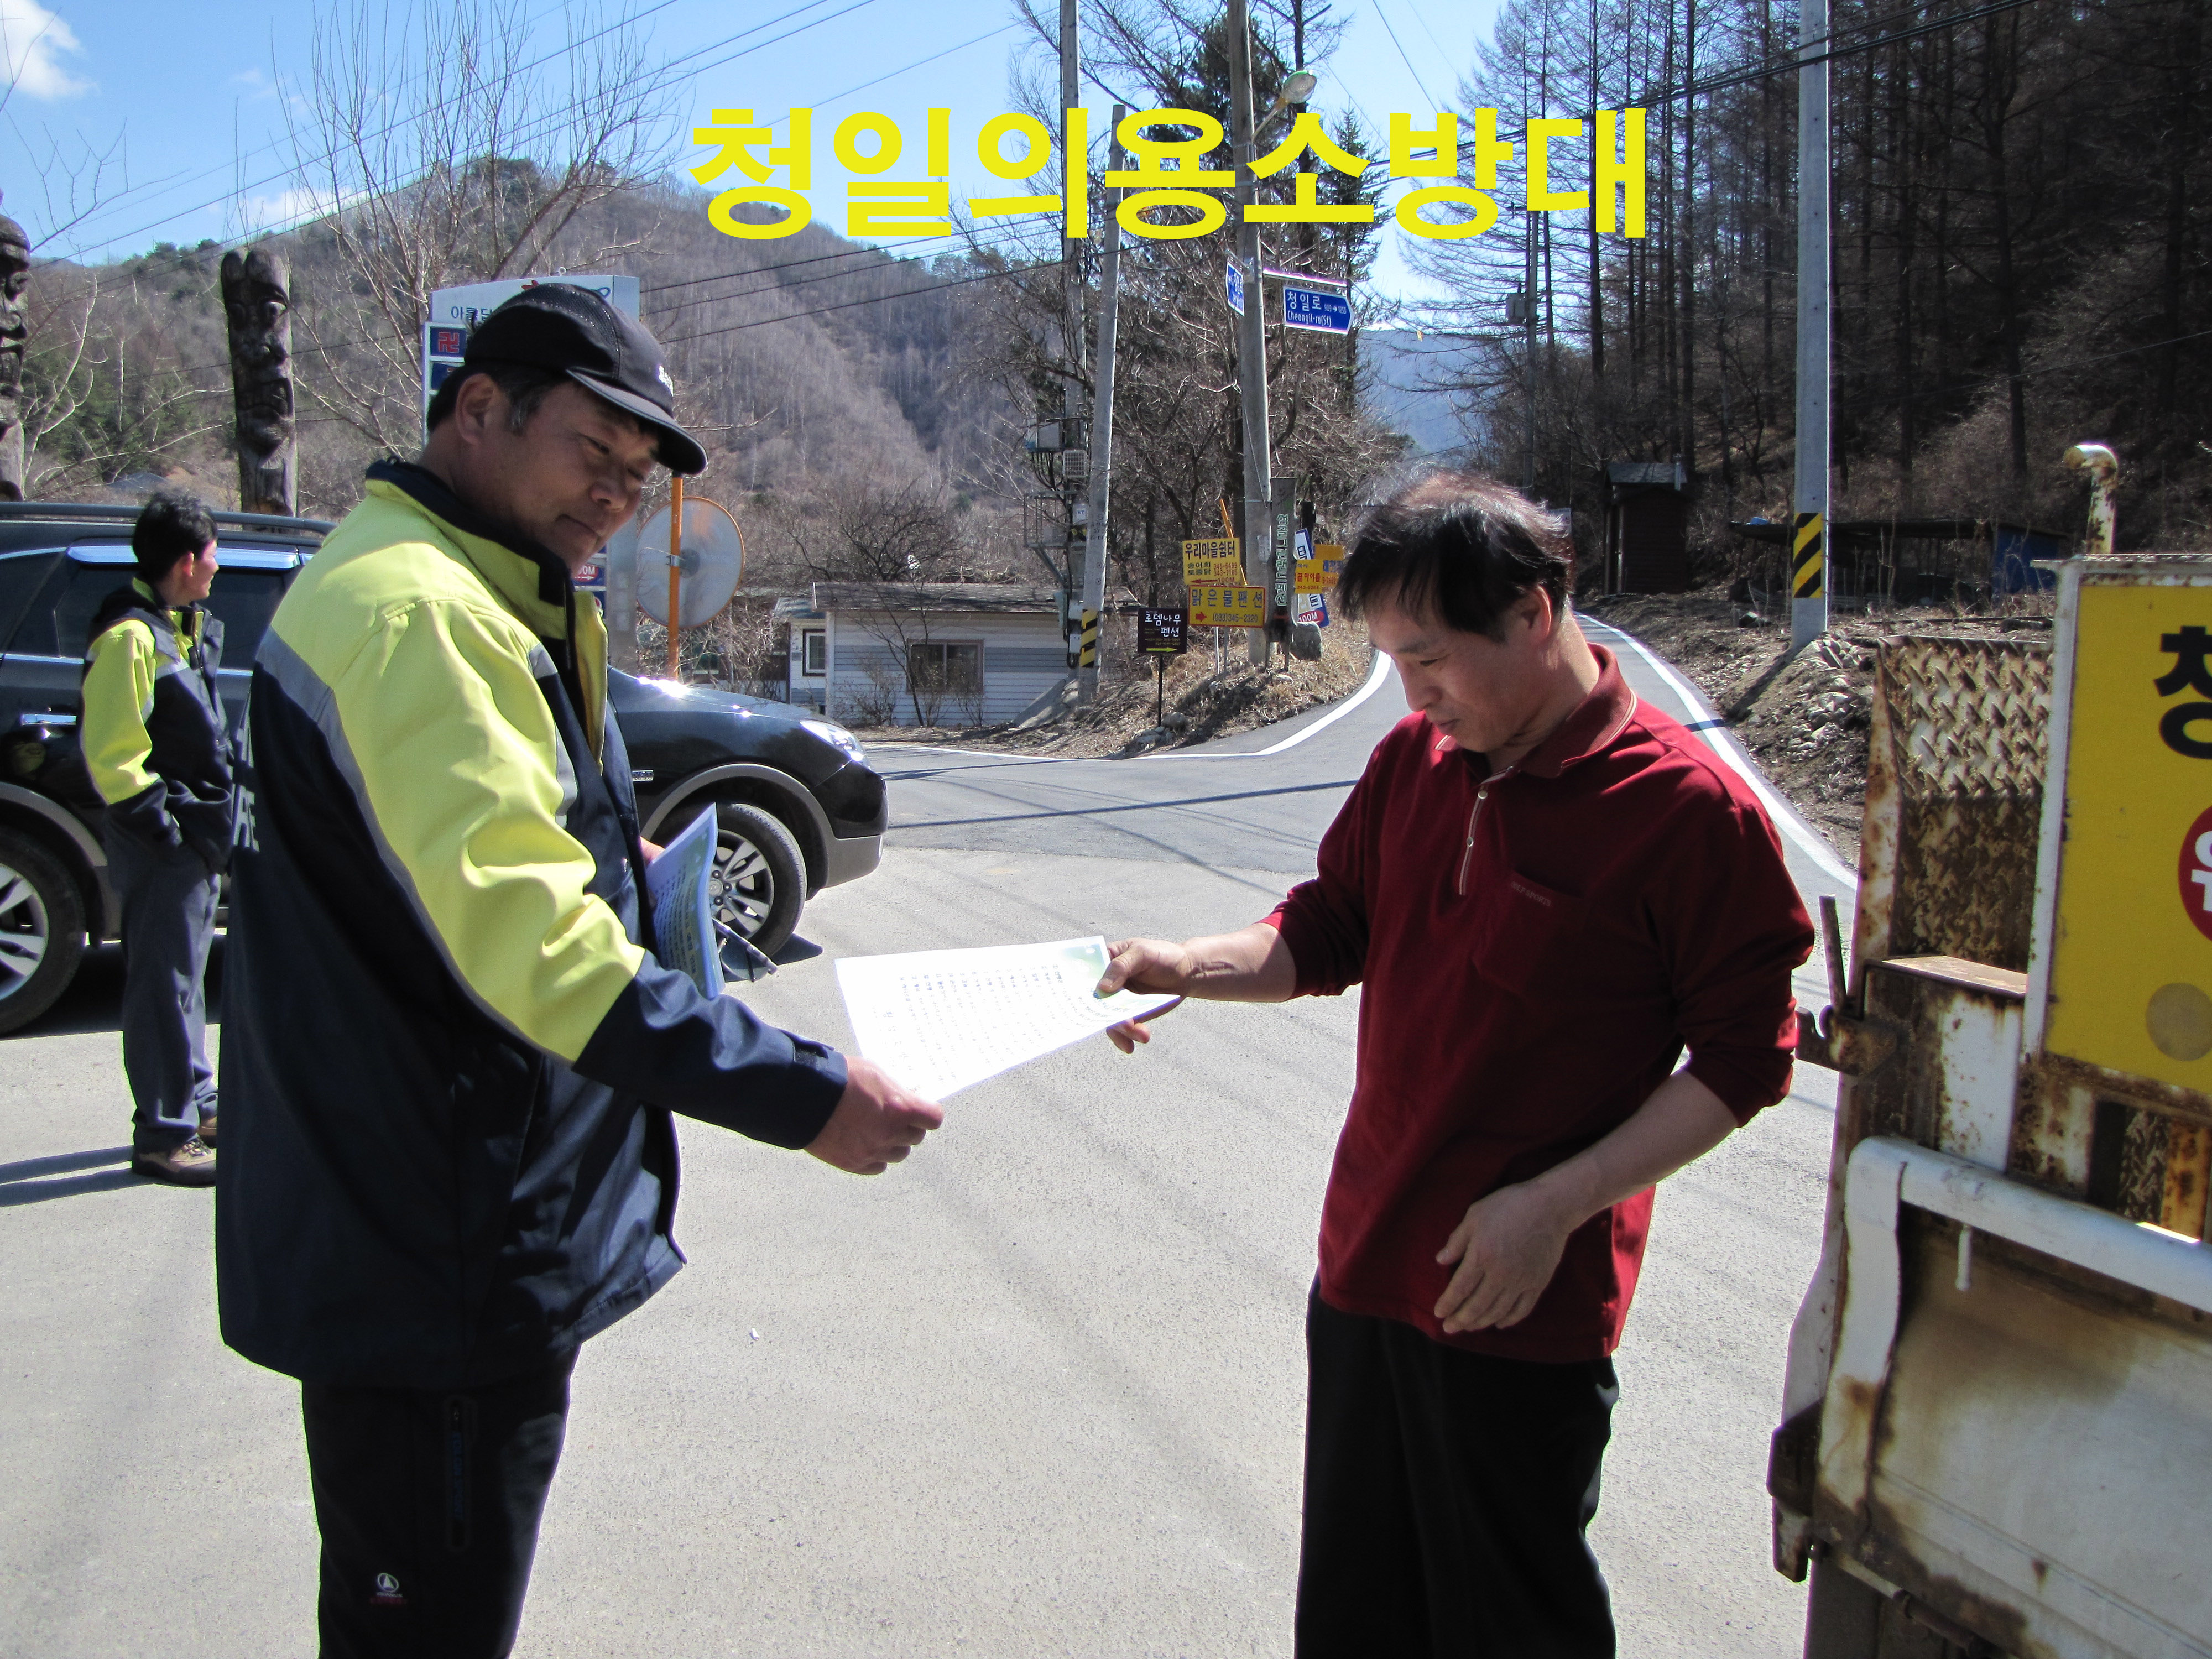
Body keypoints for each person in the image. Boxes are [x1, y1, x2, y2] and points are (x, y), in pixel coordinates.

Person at [215, 284, 943, 1658]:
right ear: (480, 409)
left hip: (421, 1212)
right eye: (591, 452)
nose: (615, 495)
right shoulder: (420, 613)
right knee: (425, 1627)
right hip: (429, 1247)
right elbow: (541, 953)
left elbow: (473, 844)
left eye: (636, 474)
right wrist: (808, 1095)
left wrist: (624, 850)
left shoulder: (466, 581)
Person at [1097, 472, 1815, 1657]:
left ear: (1533, 612)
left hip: (1517, 1303)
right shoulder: (1413, 762)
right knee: (1356, 1619)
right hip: (1365, 1267)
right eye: (1393, 663)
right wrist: (1186, 963)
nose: (1413, 695)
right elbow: (1331, 928)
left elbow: (1745, 1062)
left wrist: (1557, 1204)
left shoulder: (1686, 812)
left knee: (1511, 1626)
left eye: (1429, 660)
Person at [81, 488, 230, 1186]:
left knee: (185, 981)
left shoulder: (174, 624)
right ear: (186, 563)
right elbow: (114, 752)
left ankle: (197, 1105)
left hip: (191, 838)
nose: (219, 567)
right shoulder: (130, 636)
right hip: (164, 841)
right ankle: (165, 1136)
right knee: (162, 987)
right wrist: (165, 831)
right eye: (213, 554)